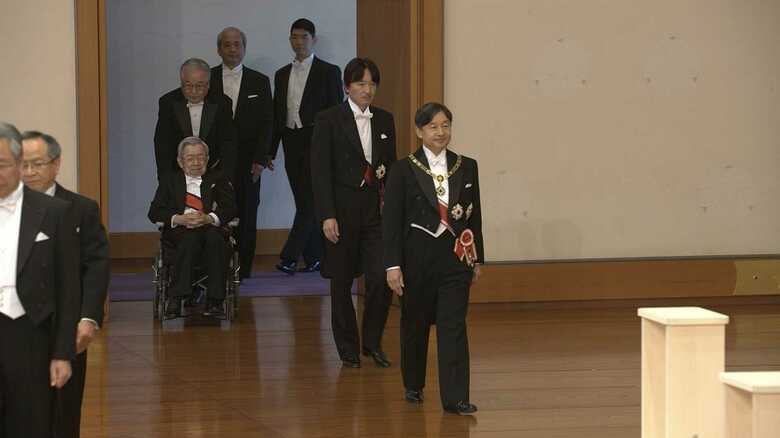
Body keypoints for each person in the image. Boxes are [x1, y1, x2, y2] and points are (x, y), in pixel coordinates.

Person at [382, 102, 484, 415]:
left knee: (454, 326)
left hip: (455, 260)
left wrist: (477, 258)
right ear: (419, 131)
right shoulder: (403, 169)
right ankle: (413, 383)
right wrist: (393, 265)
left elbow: (474, 217)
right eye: (433, 127)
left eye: (446, 125)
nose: (441, 132)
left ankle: (456, 397)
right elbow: (392, 222)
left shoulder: (467, 166)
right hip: (416, 259)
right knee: (415, 324)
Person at [20, 131, 110, 438]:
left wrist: (88, 318)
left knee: (63, 412)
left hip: (63, 328)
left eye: (37, 164)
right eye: (22, 164)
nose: (29, 172)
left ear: (56, 165)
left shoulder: (80, 209)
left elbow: (95, 267)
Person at [311, 58, 396, 368]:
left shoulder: (385, 120)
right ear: (347, 86)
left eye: (372, 83)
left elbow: (392, 169)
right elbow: (319, 172)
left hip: (376, 211)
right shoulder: (328, 119)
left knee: (381, 278)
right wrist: (326, 215)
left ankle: (372, 342)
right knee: (341, 282)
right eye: (361, 83)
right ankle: (347, 348)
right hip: (341, 211)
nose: (367, 89)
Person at [0, 122, 80, 436]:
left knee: (31, 423)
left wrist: (62, 352)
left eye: (3, 164)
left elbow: (68, 288)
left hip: (30, 333)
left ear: (20, 165)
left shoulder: (54, 212)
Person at [270, 18, 344, 274]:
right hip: (291, 141)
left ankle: (289, 256)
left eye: (303, 37)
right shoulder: (281, 74)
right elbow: (276, 115)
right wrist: (269, 152)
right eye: (294, 37)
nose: (298, 42)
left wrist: (334, 149)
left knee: (310, 202)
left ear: (314, 40)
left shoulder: (329, 71)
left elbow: (336, 113)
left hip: (317, 141)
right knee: (304, 201)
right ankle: (314, 257)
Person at [208, 26, 273, 281]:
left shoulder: (260, 80)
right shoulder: (208, 78)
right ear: (219, 49)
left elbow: (268, 123)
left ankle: (243, 270)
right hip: (215, 161)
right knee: (216, 211)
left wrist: (260, 159)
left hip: (249, 162)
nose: (232, 49)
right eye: (227, 44)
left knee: (247, 213)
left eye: (237, 44)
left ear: (244, 48)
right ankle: (216, 267)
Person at [148, 137, 237, 317]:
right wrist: (179, 219)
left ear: (207, 158)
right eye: (190, 158)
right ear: (180, 162)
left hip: (210, 228)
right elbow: (155, 211)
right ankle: (176, 298)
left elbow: (231, 208)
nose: (196, 162)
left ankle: (215, 301)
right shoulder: (170, 181)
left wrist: (209, 218)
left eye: (201, 157)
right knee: (190, 239)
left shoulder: (218, 179)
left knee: (215, 240)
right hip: (180, 231)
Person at [154, 58, 236, 182]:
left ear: (208, 84)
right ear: (181, 82)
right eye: (187, 85)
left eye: (199, 86)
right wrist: (166, 180)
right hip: (178, 176)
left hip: (214, 174)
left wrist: (225, 178)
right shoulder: (168, 102)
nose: (193, 91)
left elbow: (228, 144)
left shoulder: (222, 103)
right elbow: (162, 145)